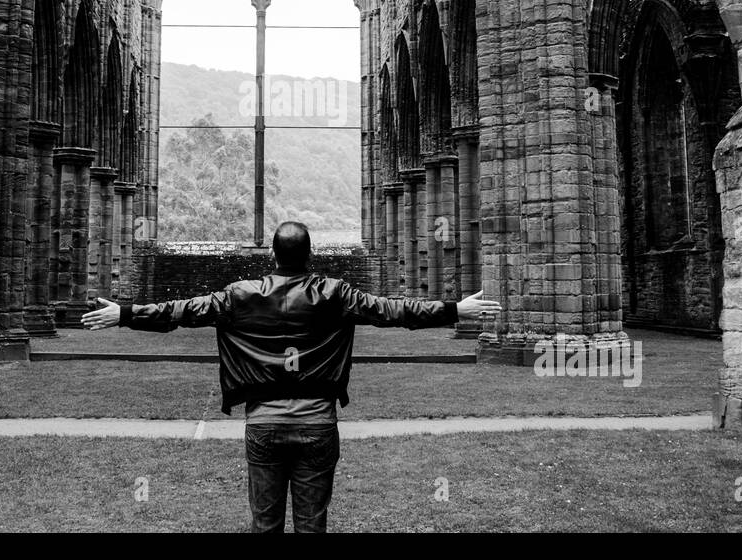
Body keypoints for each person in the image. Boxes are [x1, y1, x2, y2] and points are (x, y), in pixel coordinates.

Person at [82, 221, 502, 534]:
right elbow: (393, 311)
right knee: (311, 527)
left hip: (263, 422)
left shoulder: (239, 295)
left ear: (272, 256)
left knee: (264, 526)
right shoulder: (336, 294)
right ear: (310, 255)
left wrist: (123, 313)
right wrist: (452, 309)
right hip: (317, 422)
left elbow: (180, 312)